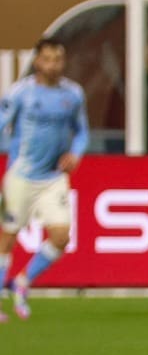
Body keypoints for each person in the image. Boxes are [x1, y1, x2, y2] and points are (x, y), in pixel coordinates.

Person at [0, 38, 87, 320]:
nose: (53, 65)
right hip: (22, 177)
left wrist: (75, 153)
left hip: (53, 177)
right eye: (47, 59)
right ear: (37, 61)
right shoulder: (20, 93)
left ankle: (22, 282)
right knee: (7, 238)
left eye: (58, 59)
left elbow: (82, 131)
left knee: (62, 236)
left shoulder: (73, 94)